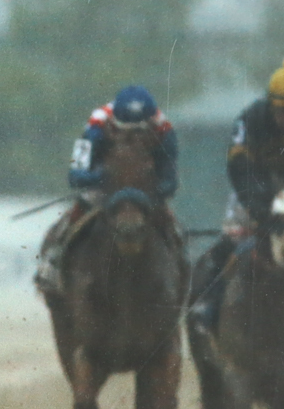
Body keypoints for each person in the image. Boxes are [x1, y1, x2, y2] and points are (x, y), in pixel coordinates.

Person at [189, 54, 284, 331]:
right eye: (281, 110)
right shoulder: (250, 120)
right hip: (252, 188)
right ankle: (208, 302)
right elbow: (239, 168)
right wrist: (259, 209)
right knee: (232, 241)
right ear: (270, 104)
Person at [35, 84, 179, 298]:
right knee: (80, 208)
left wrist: (152, 189)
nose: (132, 138)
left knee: (172, 225)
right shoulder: (95, 125)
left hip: (145, 190)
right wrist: (103, 178)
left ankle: (181, 265)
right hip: (104, 187)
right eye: (124, 131)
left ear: (150, 125)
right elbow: (76, 174)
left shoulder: (164, 129)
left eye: (139, 132)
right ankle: (54, 259)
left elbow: (170, 179)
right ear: (112, 123)